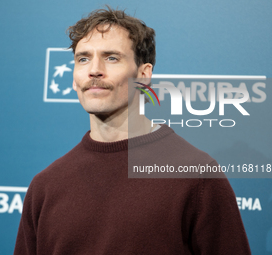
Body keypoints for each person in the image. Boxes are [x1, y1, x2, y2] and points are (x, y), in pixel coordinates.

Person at [14, 6, 251, 255]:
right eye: (83, 58)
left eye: (111, 57)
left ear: (143, 75)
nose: (94, 70)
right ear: (74, 78)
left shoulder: (196, 175)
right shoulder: (46, 186)